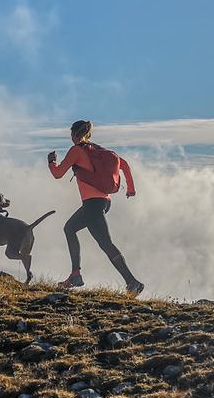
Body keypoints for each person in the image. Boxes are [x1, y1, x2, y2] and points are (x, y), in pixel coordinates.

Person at [47, 120, 145, 295]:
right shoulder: (100, 151)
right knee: (71, 229)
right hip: (104, 202)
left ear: (74, 135)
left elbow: (58, 173)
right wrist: (131, 189)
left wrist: (51, 162)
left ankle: (132, 282)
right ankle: (76, 275)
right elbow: (125, 165)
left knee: (105, 244)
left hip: (92, 204)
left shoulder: (77, 150)